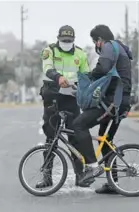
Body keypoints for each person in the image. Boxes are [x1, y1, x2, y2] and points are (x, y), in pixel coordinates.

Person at [72, 25, 133, 191]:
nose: (96, 45)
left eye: (95, 42)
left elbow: (103, 69)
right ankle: (113, 184)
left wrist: (88, 77)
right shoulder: (119, 47)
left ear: (99, 40)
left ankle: (92, 166)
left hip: (113, 102)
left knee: (79, 124)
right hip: (121, 101)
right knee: (105, 140)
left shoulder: (108, 46)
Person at [37, 25, 90, 188]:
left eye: (69, 40)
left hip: (71, 99)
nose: (66, 43)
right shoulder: (50, 51)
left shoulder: (80, 53)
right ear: (58, 38)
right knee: (51, 138)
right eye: (63, 40)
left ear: (73, 40)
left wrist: (83, 88)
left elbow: (85, 74)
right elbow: (47, 68)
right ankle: (47, 176)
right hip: (53, 97)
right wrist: (58, 77)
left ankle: (80, 176)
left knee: (75, 136)